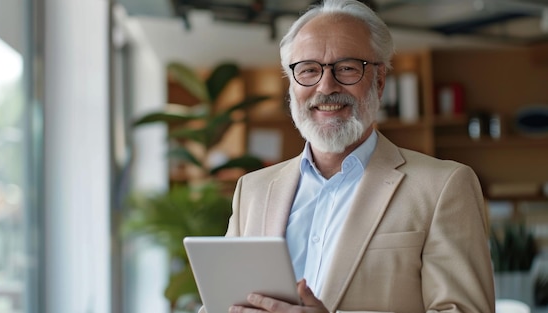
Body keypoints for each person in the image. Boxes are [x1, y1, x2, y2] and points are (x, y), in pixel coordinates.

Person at [200, 0, 495, 312]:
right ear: (291, 84)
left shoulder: (442, 187)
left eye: (347, 68)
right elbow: (222, 302)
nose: (326, 86)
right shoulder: (253, 190)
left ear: (380, 82)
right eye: (309, 70)